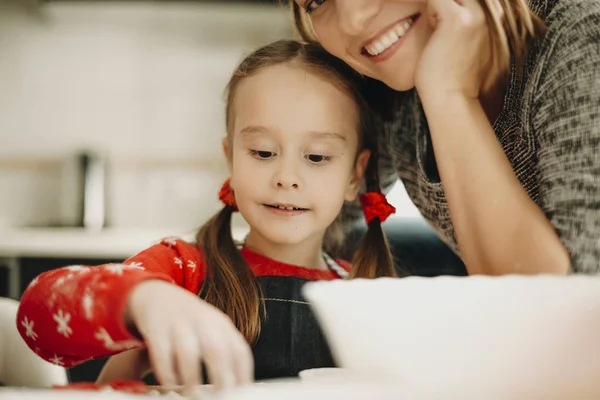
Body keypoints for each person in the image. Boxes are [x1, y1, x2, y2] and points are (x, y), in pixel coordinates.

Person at [16, 40, 398, 390]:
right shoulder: (181, 270)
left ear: (354, 175)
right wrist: (142, 300)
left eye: (316, 157)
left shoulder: (365, 297)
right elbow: (37, 318)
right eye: (263, 152)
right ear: (230, 157)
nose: (286, 178)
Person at [290, 0, 600, 275]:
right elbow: (303, 209)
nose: (352, 19)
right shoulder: (390, 94)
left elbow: (572, 307)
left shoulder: (583, 32)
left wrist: (450, 96)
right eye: (316, 1)